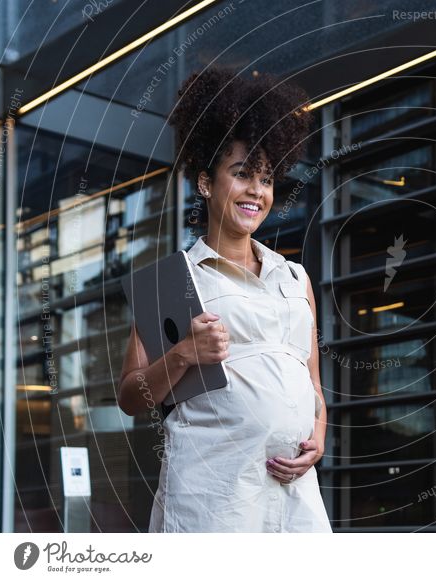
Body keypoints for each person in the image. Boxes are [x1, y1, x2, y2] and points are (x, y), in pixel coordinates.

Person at [117, 67, 331, 532]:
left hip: (293, 495)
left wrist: (318, 433)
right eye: (241, 174)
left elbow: (312, 384)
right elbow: (132, 397)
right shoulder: (172, 282)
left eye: (267, 178)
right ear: (206, 183)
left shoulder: (295, 278)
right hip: (214, 497)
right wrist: (182, 355)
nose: (257, 189)